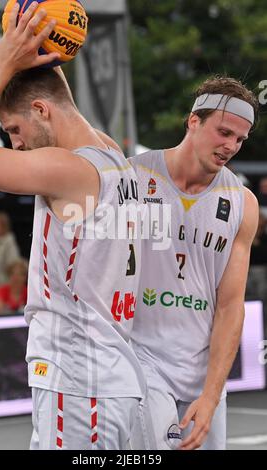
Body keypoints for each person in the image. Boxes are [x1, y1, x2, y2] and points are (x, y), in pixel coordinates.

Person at [0, 4, 145, 449]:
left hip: (77, 381)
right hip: (113, 378)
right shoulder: (113, 158)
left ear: (42, 111)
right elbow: (59, 102)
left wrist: (4, 58)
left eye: (11, 129)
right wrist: (45, 52)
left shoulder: (67, 169)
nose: (15, 143)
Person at [129, 77, 259, 450]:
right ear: (193, 121)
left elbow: (231, 304)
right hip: (142, 359)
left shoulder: (241, 202)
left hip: (202, 373)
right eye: (224, 132)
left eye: (239, 139)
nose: (231, 146)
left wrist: (212, 394)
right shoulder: (133, 177)